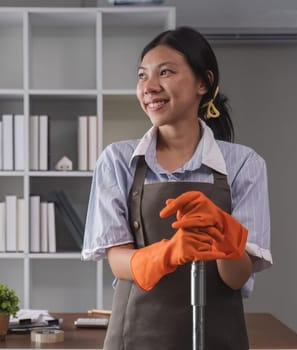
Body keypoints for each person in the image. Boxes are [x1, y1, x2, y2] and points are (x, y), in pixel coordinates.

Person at [82, 26, 272, 350]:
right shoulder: (118, 160)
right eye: (142, 76)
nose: (150, 87)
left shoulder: (243, 165)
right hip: (134, 336)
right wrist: (167, 252)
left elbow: (236, 277)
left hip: (218, 337)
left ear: (204, 82)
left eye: (165, 72)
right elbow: (118, 261)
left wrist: (225, 239)